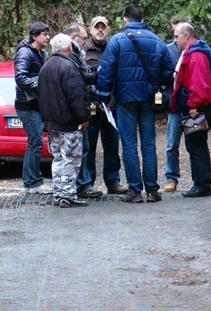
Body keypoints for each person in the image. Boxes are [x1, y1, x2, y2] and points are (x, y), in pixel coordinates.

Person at [96, 4, 174, 203]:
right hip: (148, 99)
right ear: (142, 18)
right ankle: (152, 190)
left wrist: (103, 97)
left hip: (125, 99)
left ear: (125, 20)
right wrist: (158, 86)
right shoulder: (157, 41)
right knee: (149, 144)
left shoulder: (117, 41)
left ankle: (135, 190)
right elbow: (169, 71)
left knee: (129, 145)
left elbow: (106, 72)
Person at [164, 19, 211, 193]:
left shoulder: (195, 55)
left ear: (186, 36)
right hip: (194, 106)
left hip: (194, 109)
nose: (175, 41)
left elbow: (197, 84)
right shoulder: (195, 52)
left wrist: (193, 105)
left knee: (196, 147)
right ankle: (202, 183)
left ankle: (201, 185)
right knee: (197, 146)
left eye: (177, 36)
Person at [38, 33, 91, 208]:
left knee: (58, 158)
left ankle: (59, 192)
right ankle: (68, 194)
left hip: (52, 123)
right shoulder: (69, 67)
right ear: (69, 48)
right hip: (69, 123)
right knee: (71, 158)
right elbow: (77, 96)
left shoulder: (46, 67)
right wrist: (84, 117)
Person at [84, 16, 128, 195]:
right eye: (97, 27)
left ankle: (113, 181)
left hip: (112, 106)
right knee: (89, 148)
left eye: (103, 27)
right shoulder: (83, 51)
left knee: (112, 147)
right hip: (91, 107)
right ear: (90, 30)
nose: (100, 30)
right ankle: (88, 183)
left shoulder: (115, 48)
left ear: (108, 29)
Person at [62, 23, 103, 200]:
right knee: (78, 150)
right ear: (73, 38)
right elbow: (76, 88)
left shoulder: (77, 56)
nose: (86, 41)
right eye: (83, 38)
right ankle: (80, 186)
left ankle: (81, 185)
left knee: (82, 149)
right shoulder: (69, 60)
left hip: (82, 107)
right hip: (75, 112)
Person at [14, 22, 53, 194]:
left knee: (35, 142)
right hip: (27, 105)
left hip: (36, 104)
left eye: (48, 34)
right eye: (44, 34)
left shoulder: (41, 53)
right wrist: (39, 87)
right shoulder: (25, 53)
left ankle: (32, 181)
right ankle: (32, 182)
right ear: (34, 36)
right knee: (35, 141)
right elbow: (20, 77)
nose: (47, 37)